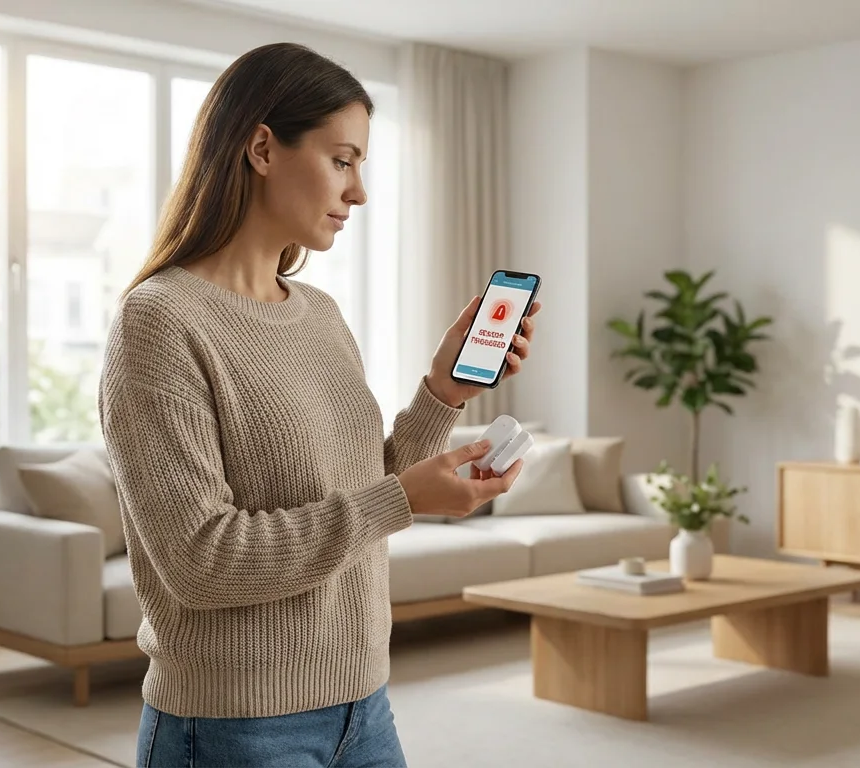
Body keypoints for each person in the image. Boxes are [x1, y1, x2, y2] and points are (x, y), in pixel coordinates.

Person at [97, 42, 541, 767]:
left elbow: (360, 487)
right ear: (263, 148)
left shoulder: (320, 313)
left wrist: (441, 392)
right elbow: (200, 560)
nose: (359, 191)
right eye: (343, 160)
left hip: (364, 705)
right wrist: (399, 499)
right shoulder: (159, 321)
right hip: (235, 726)